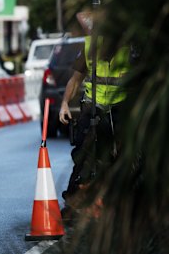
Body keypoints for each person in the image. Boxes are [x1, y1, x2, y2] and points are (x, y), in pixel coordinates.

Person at [59, 24, 132, 218]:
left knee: (125, 155)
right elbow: (75, 79)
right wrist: (65, 103)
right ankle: (73, 201)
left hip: (121, 104)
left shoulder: (132, 45)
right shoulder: (90, 45)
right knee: (83, 151)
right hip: (94, 105)